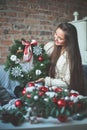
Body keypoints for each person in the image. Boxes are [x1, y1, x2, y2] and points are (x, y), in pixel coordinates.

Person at [35, 22, 85, 95]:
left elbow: (67, 83)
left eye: (60, 38)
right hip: (45, 80)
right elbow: (39, 58)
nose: (55, 38)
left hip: (60, 89)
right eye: (55, 34)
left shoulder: (70, 58)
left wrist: (46, 81)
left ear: (69, 41)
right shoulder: (50, 46)